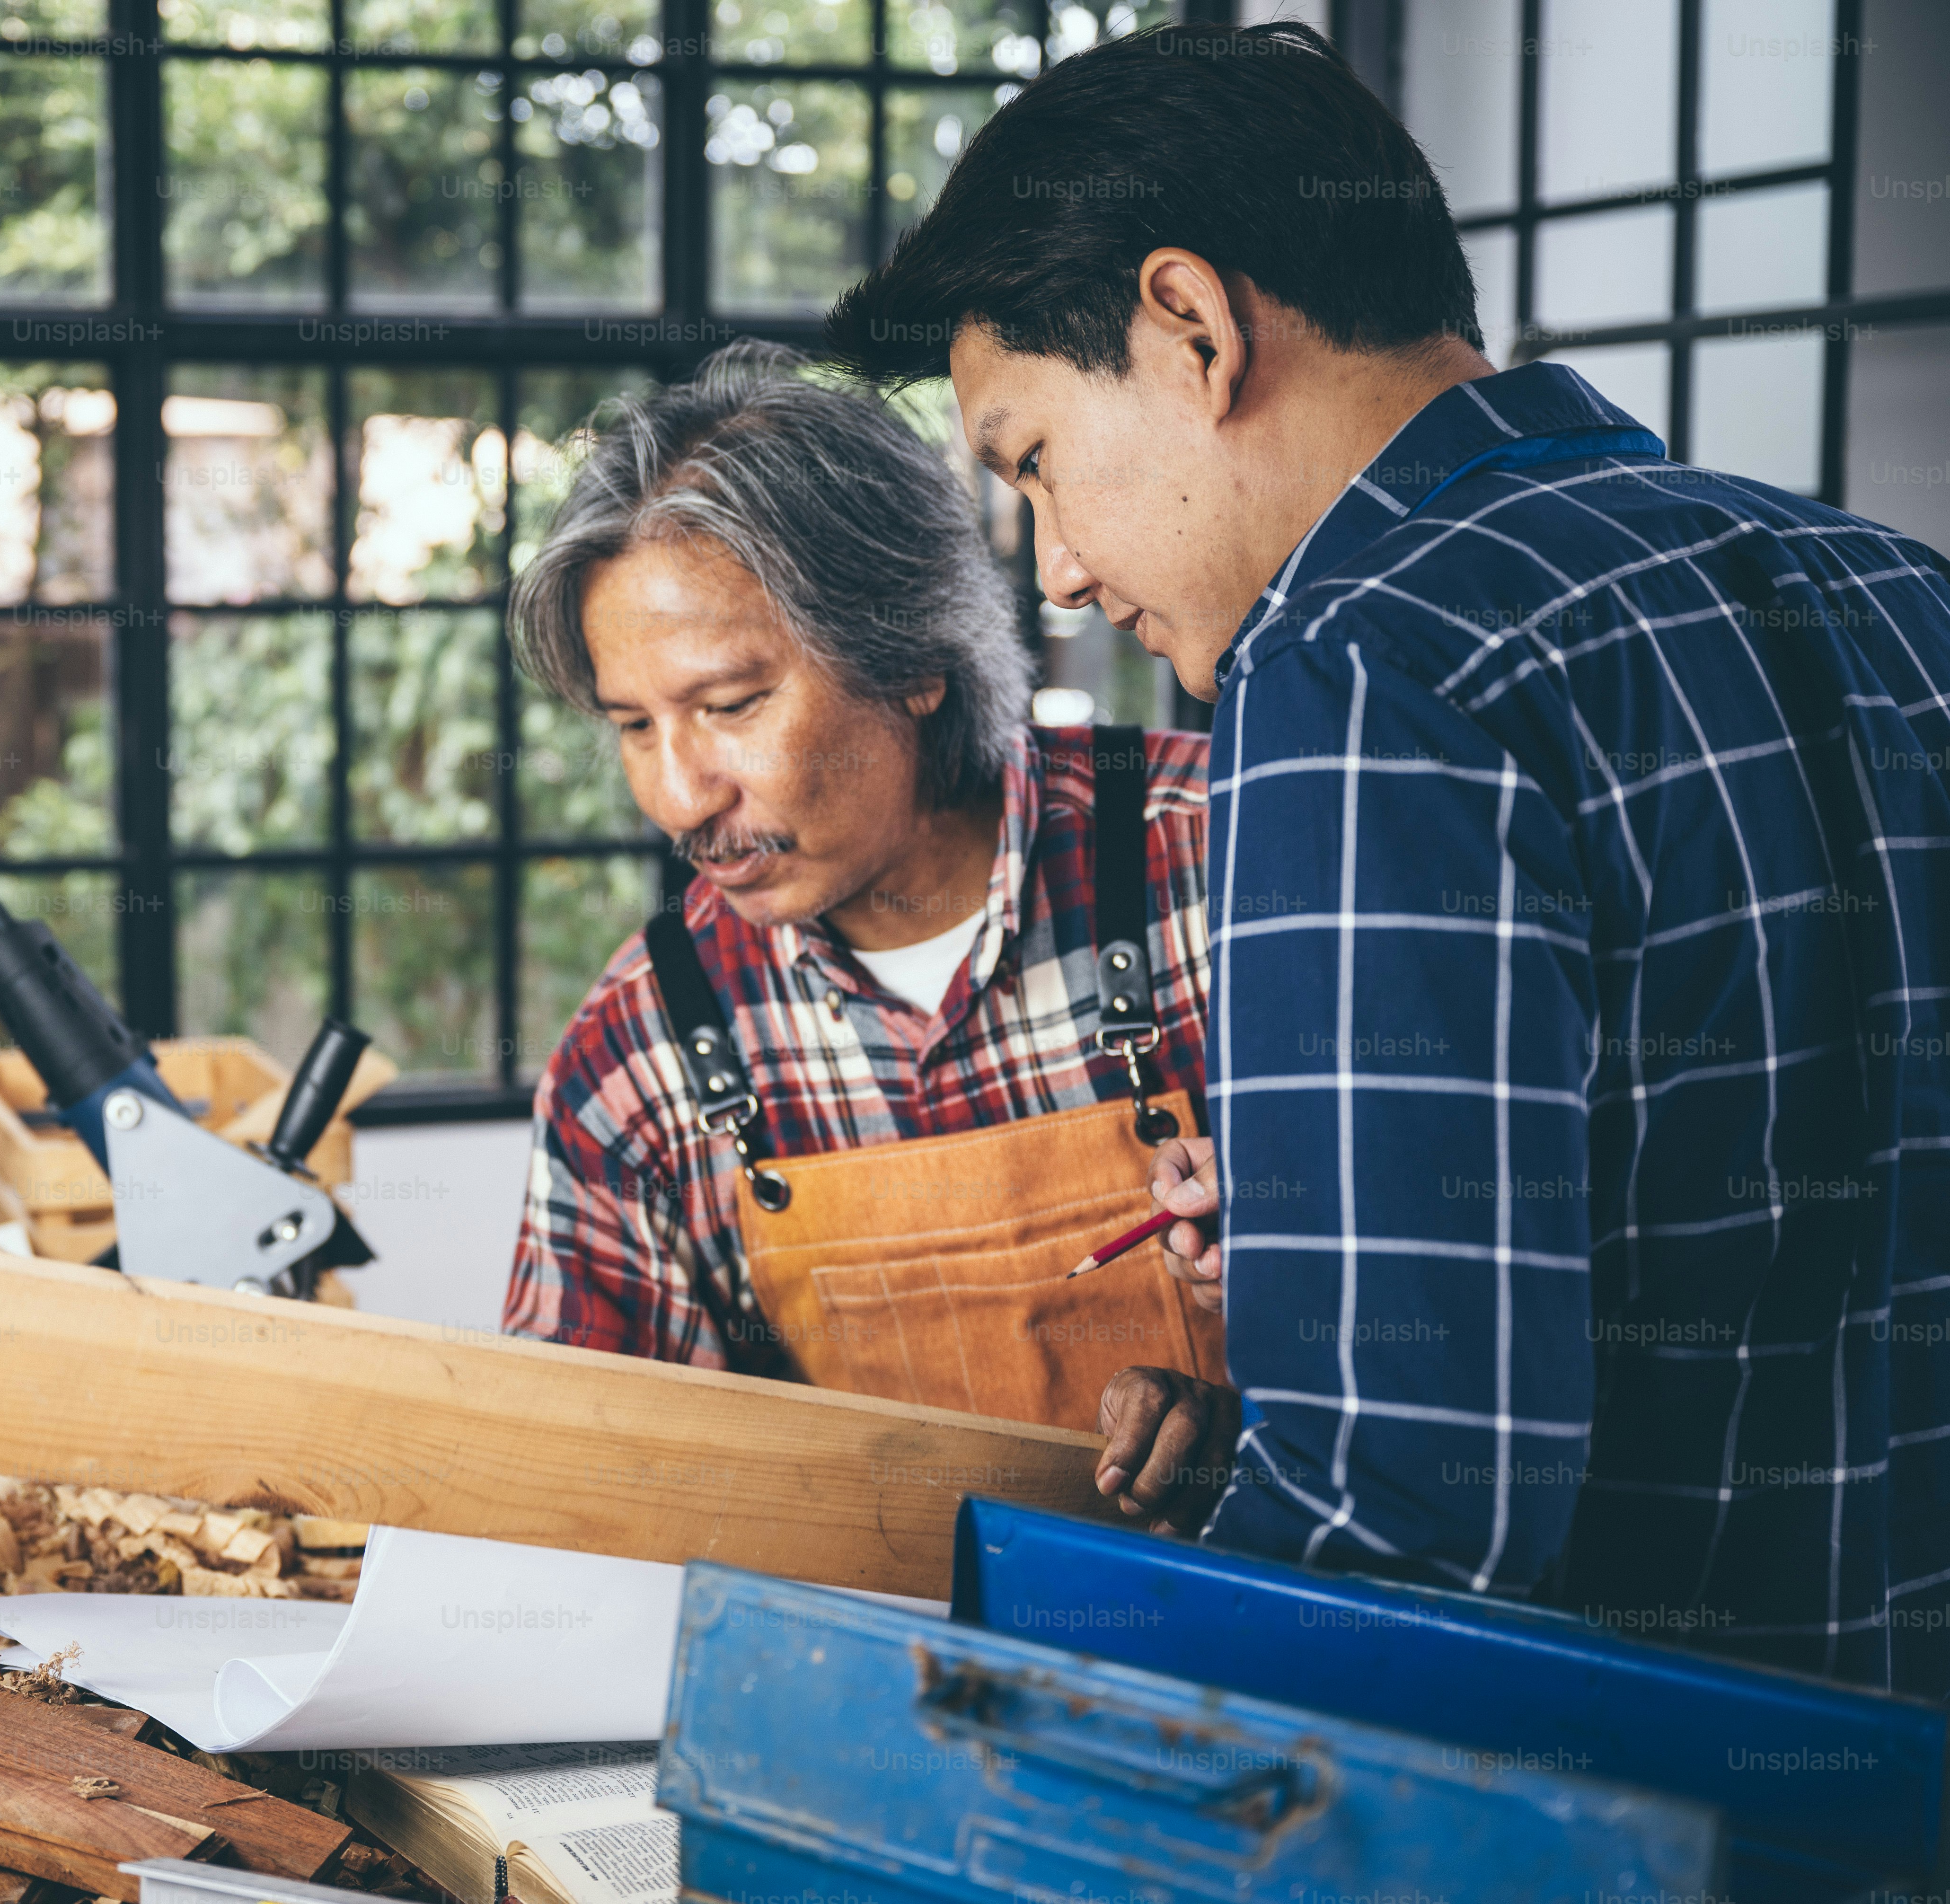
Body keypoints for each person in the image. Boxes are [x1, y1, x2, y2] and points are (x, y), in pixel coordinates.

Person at [824, 19, 1950, 1694]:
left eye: (1032, 462)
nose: (1053, 568)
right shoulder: (1894, 586)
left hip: (1644, 1833)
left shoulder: (1362, 661)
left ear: (1189, 326)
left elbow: (1406, 1517)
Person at [502, 341, 1221, 1434]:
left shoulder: (1234, 866)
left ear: (914, 659)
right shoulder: (641, 1054)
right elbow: (590, 1481)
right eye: (635, 726)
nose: (681, 796)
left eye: (734, 705)